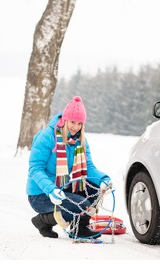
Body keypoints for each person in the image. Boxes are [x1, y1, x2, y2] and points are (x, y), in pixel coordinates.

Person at [26, 96, 112, 239]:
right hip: (40, 194)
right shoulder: (47, 136)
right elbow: (35, 168)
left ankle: (79, 228)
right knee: (80, 204)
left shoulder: (81, 140)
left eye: (80, 124)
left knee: (95, 190)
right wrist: (50, 190)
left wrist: (103, 179)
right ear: (65, 120)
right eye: (72, 122)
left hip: (62, 188)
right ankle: (42, 221)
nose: (75, 127)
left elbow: (88, 167)